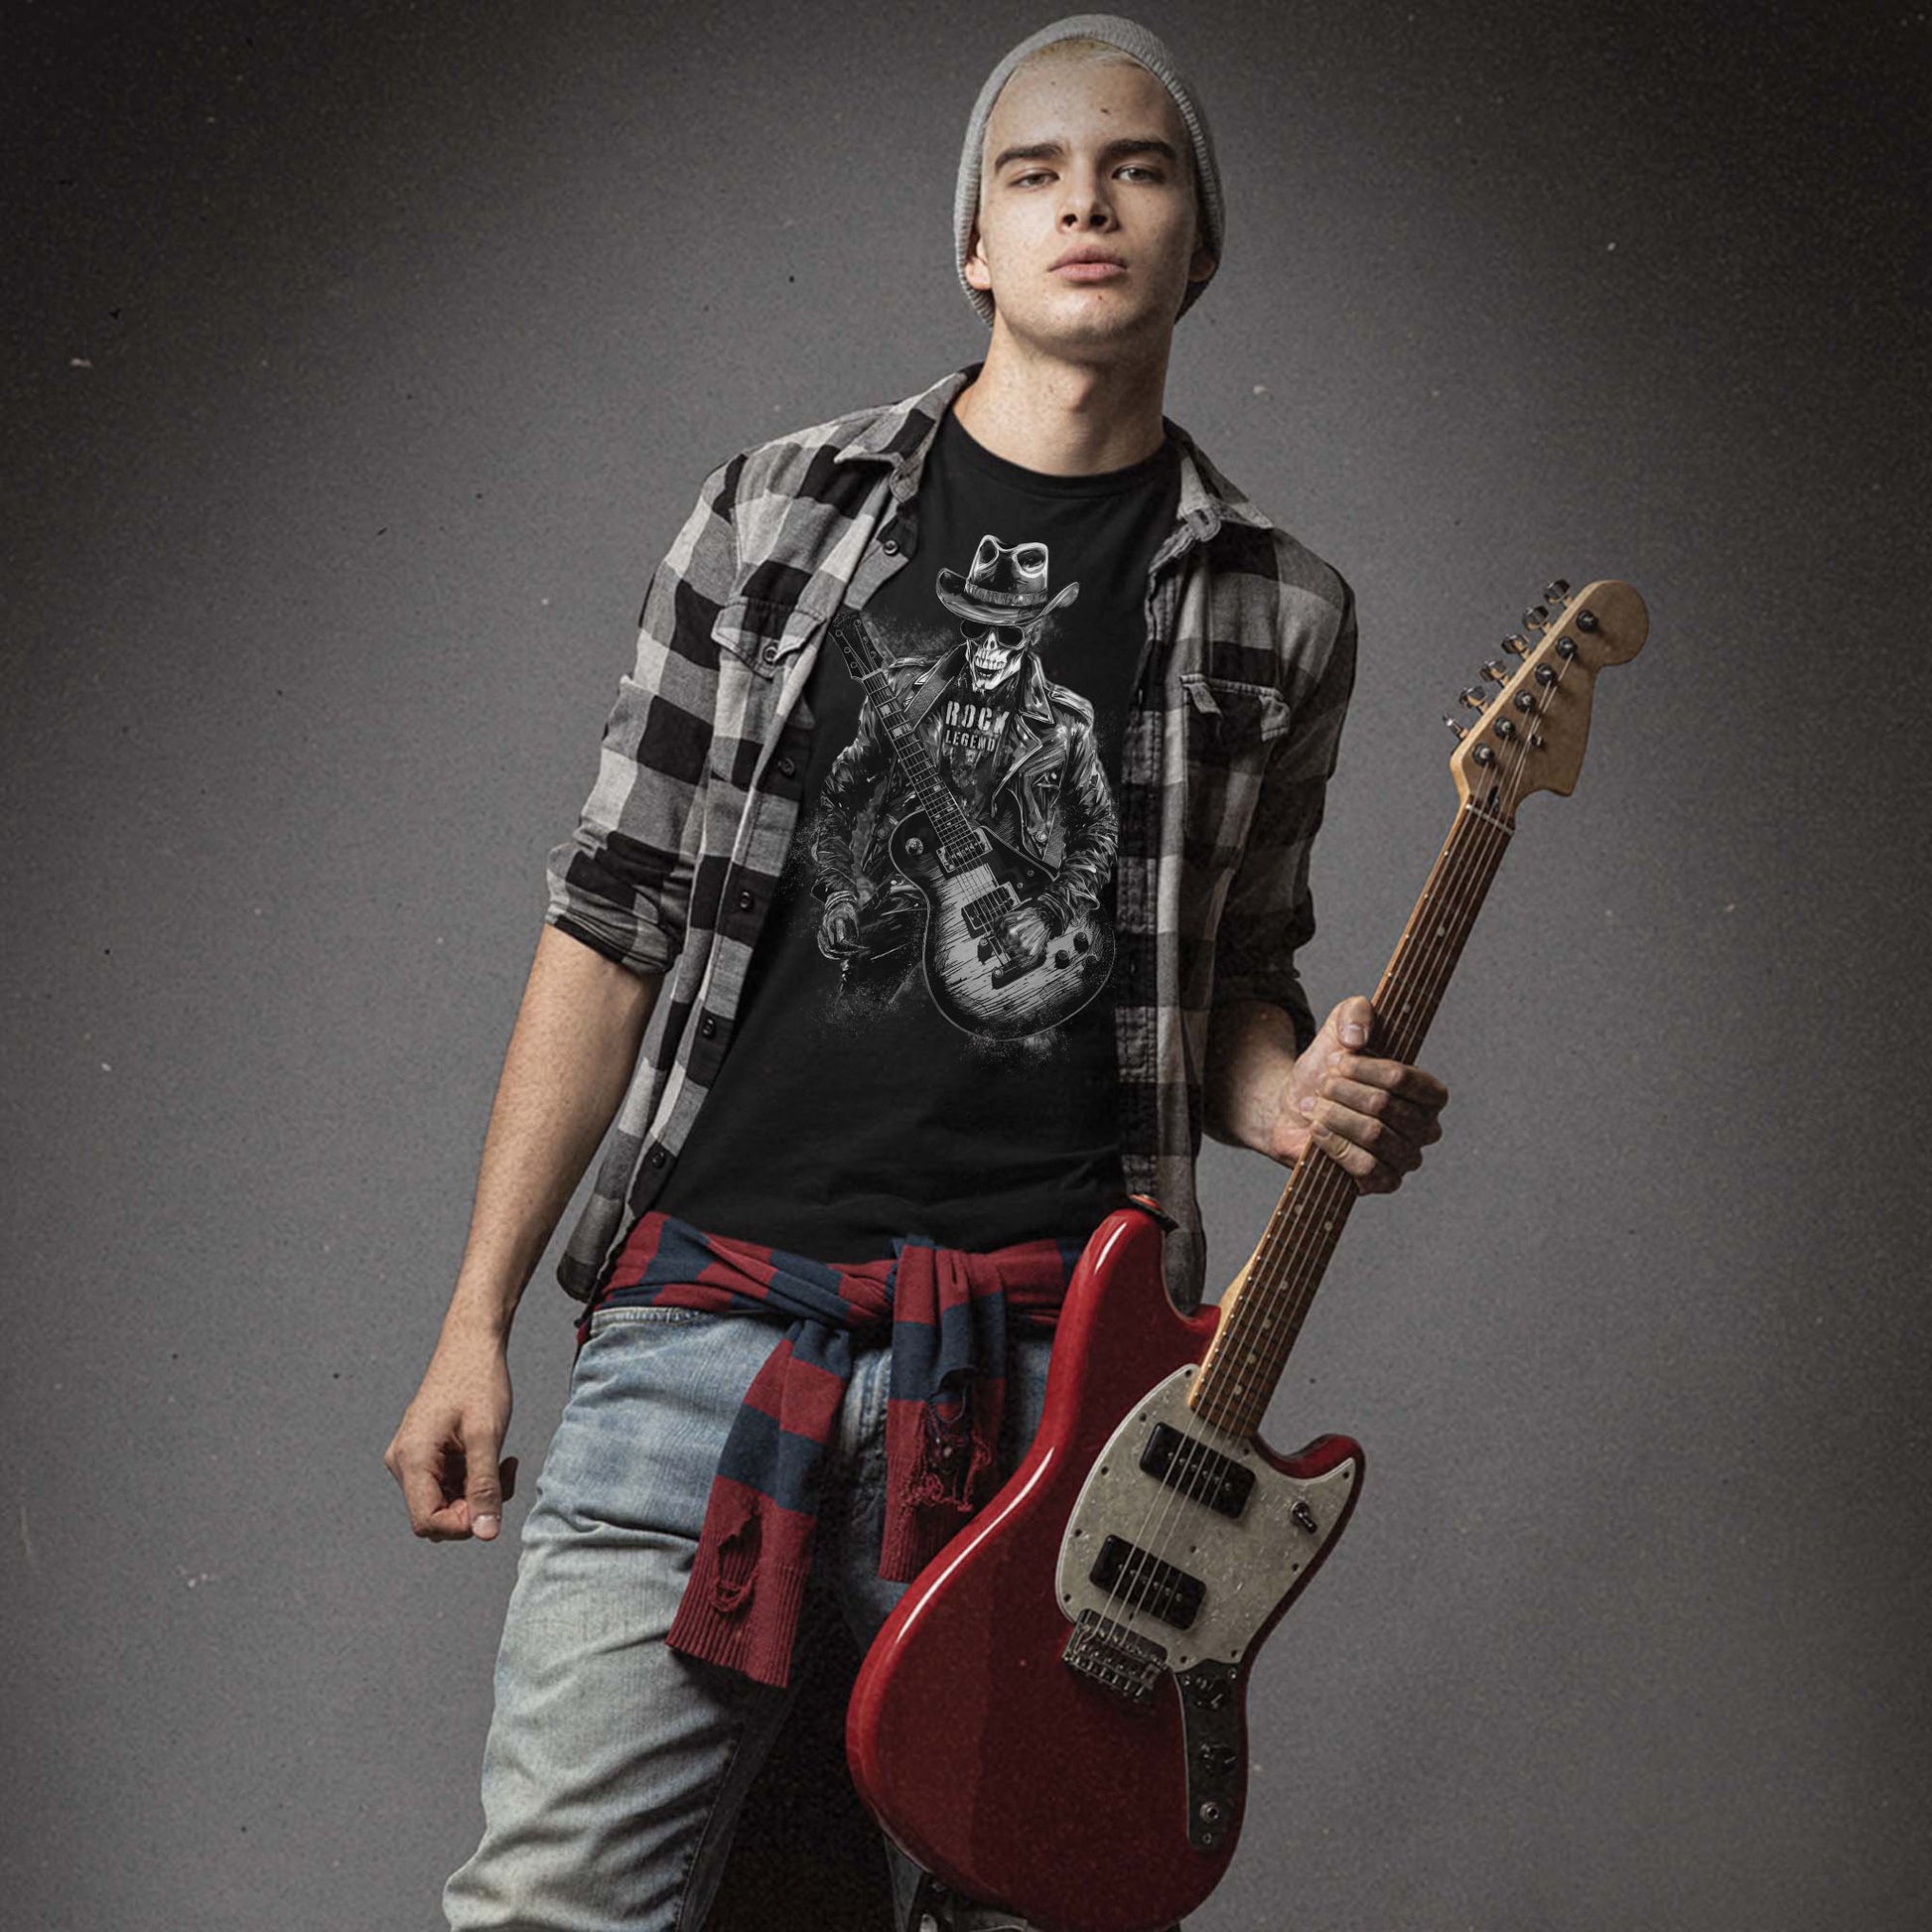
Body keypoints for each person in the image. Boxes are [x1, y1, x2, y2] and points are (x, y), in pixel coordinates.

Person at [383, 15, 1450, 1931]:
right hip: (705, 1331)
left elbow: (1231, 982)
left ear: (1198, 242)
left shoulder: (1279, 608)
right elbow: (613, 912)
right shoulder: (775, 516)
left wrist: (1294, 1093)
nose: (1084, 204)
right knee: (553, 1905)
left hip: (1059, 1382)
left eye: (1135, 168)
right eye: (1032, 174)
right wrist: (473, 1315)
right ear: (973, 242)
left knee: (1020, 1906)